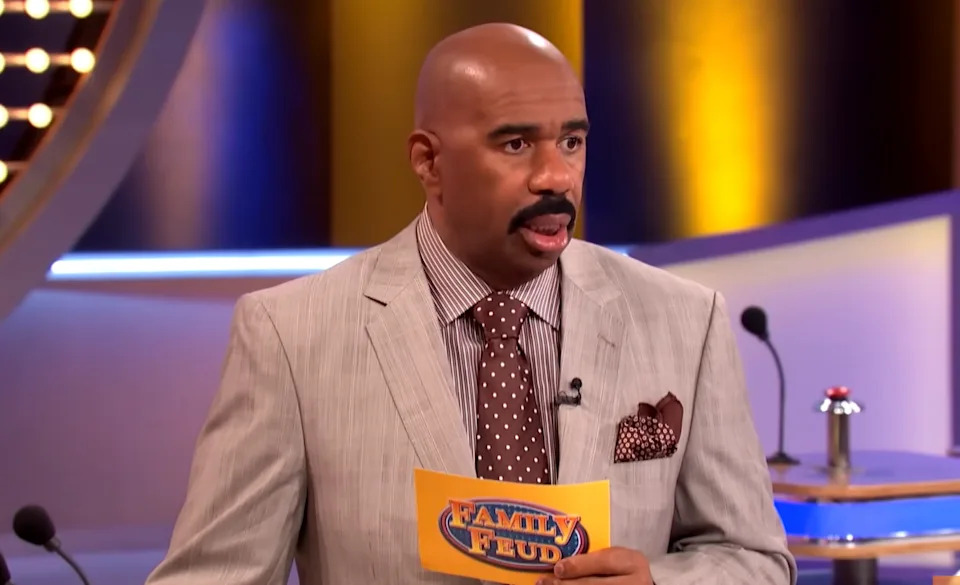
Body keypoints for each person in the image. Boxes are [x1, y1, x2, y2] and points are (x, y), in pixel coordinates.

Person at [145, 22, 796, 585]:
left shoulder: (685, 320)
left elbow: (755, 558)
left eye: (572, 142)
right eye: (516, 144)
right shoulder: (290, 334)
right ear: (429, 162)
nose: (556, 176)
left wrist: (658, 580)